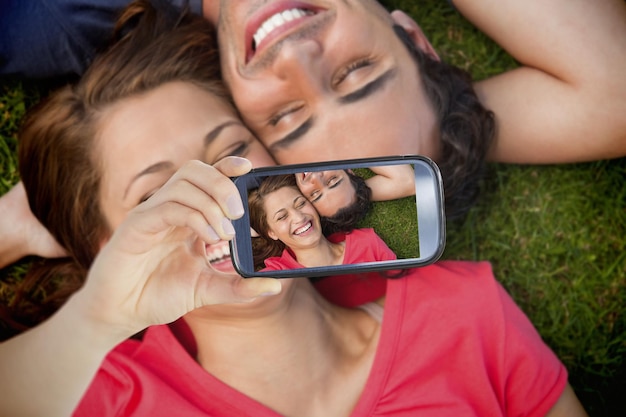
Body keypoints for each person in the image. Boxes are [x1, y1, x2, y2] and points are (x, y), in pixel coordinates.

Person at [0, 2, 587, 416]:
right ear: (111, 252)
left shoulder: (465, 313)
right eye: (158, 197)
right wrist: (98, 309)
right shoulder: (94, 393)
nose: (214, 198)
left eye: (231, 153)